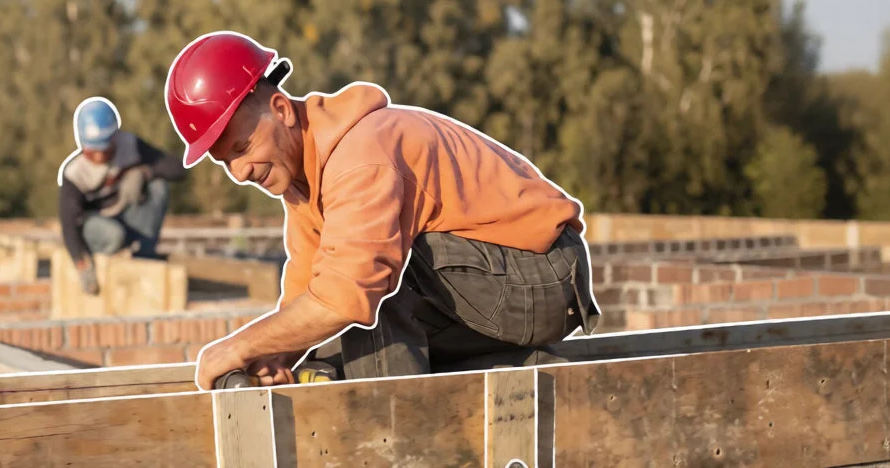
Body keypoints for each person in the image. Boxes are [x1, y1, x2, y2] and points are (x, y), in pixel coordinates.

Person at [164, 31, 604, 391]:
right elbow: (304, 297)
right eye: (225, 163)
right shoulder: (305, 183)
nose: (240, 172)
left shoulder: (361, 156)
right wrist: (276, 356)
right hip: (493, 292)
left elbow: (344, 296)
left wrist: (235, 347)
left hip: (546, 276)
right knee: (330, 352)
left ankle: (398, 445)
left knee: (370, 292)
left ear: (280, 109)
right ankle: (505, 369)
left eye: (242, 148)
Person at [58, 96, 186, 295]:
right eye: (93, 151)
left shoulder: (130, 145)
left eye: (105, 149)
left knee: (158, 187)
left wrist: (144, 173)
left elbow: (177, 168)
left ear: (114, 137)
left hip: (126, 216)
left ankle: (145, 254)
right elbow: (69, 226)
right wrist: (81, 264)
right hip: (97, 227)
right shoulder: (75, 174)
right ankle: (108, 258)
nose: (100, 157)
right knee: (113, 234)